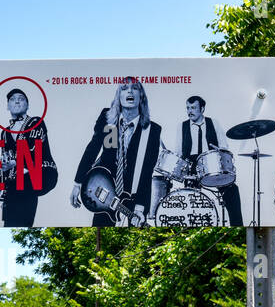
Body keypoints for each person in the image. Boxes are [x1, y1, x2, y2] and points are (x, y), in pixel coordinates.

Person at [72, 78, 163, 226]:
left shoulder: (151, 130)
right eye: (124, 88)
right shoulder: (108, 120)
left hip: (132, 198)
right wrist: (78, 183)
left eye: (135, 88)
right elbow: (92, 149)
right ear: (118, 96)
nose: (130, 91)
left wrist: (140, 207)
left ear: (141, 97)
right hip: (104, 194)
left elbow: (146, 172)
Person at [150, 95, 244, 226]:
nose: (190, 111)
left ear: (202, 108)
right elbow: (178, 152)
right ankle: (193, 225)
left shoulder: (214, 123)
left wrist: (219, 150)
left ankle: (237, 225)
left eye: (193, 108)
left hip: (211, 162)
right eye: (188, 108)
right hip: (191, 165)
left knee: (232, 189)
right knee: (190, 198)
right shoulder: (181, 126)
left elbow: (224, 146)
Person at [0, 88, 57, 226]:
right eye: (12, 99)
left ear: (28, 105)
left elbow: (34, 151)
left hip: (41, 172)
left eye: (21, 98)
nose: (17, 101)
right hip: (18, 182)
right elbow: (4, 159)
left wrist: (14, 163)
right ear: (7, 106)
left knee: (23, 188)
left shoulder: (35, 122)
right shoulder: (4, 133)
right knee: (10, 215)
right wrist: (1, 185)